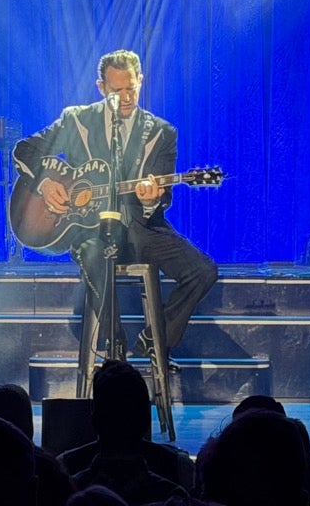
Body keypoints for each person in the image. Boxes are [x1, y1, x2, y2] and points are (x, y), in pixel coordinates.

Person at [14, 48, 218, 374]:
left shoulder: (161, 133)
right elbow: (25, 150)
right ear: (100, 88)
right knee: (96, 254)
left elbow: (162, 201)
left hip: (141, 229)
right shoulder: (77, 120)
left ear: (141, 81)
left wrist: (152, 197)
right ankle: (115, 352)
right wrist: (45, 183)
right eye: (116, 91)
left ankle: (156, 339)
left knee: (203, 270)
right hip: (89, 231)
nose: (124, 98)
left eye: (131, 89)